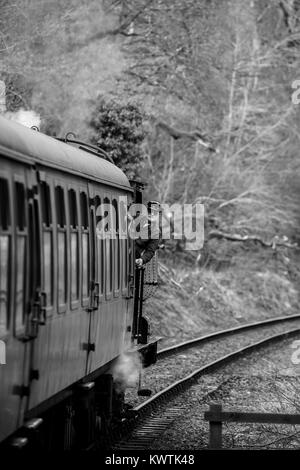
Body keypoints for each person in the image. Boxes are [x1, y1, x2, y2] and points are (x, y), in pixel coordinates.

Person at [134, 201, 160, 267]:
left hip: (132, 257)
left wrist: (142, 260)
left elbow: (150, 250)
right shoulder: (135, 218)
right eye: (150, 211)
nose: (152, 214)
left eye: (155, 213)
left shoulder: (156, 232)